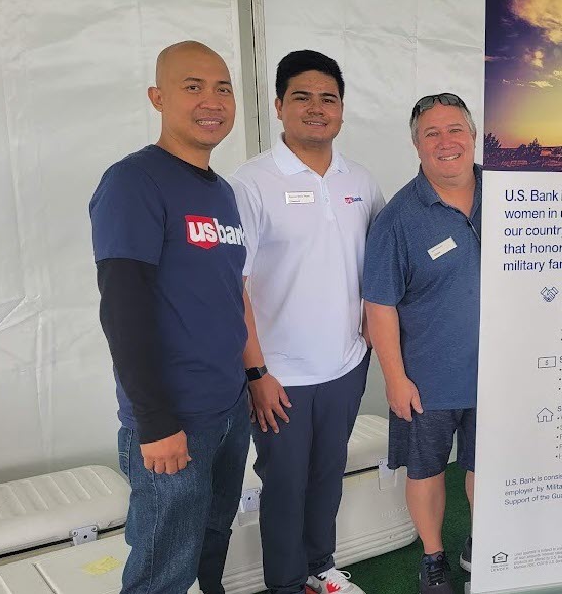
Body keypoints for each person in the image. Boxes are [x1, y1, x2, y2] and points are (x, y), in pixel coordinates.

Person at [89, 41, 250, 594]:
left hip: (229, 407)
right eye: (193, 87)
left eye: (223, 88)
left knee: (211, 536)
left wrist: (250, 381)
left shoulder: (222, 193)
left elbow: (227, 296)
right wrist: (155, 422)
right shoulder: (134, 182)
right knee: (162, 566)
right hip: (173, 422)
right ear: (158, 97)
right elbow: (123, 310)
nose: (212, 100)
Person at [231, 50, 384, 594]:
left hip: (345, 364)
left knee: (326, 477)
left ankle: (321, 566)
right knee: (285, 484)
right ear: (278, 106)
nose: (316, 109)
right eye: (302, 97)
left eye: (329, 99)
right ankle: (285, 583)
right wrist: (256, 374)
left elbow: (378, 268)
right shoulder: (251, 183)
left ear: (342, 110)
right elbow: (235, 286)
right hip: (279, 375)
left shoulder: (361, 181)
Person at [363, 93, 481, 594]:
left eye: (454, 129)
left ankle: (485, 542)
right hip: (426, 378)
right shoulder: (397, 219)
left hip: (500, 372)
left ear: (473, 136)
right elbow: (379, 305)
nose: (445, 142)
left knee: (486, 467)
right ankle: (433, 557)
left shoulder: (515, 195)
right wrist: (394, 377)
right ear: (416, 146)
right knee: (427, 470)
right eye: (431, 134)